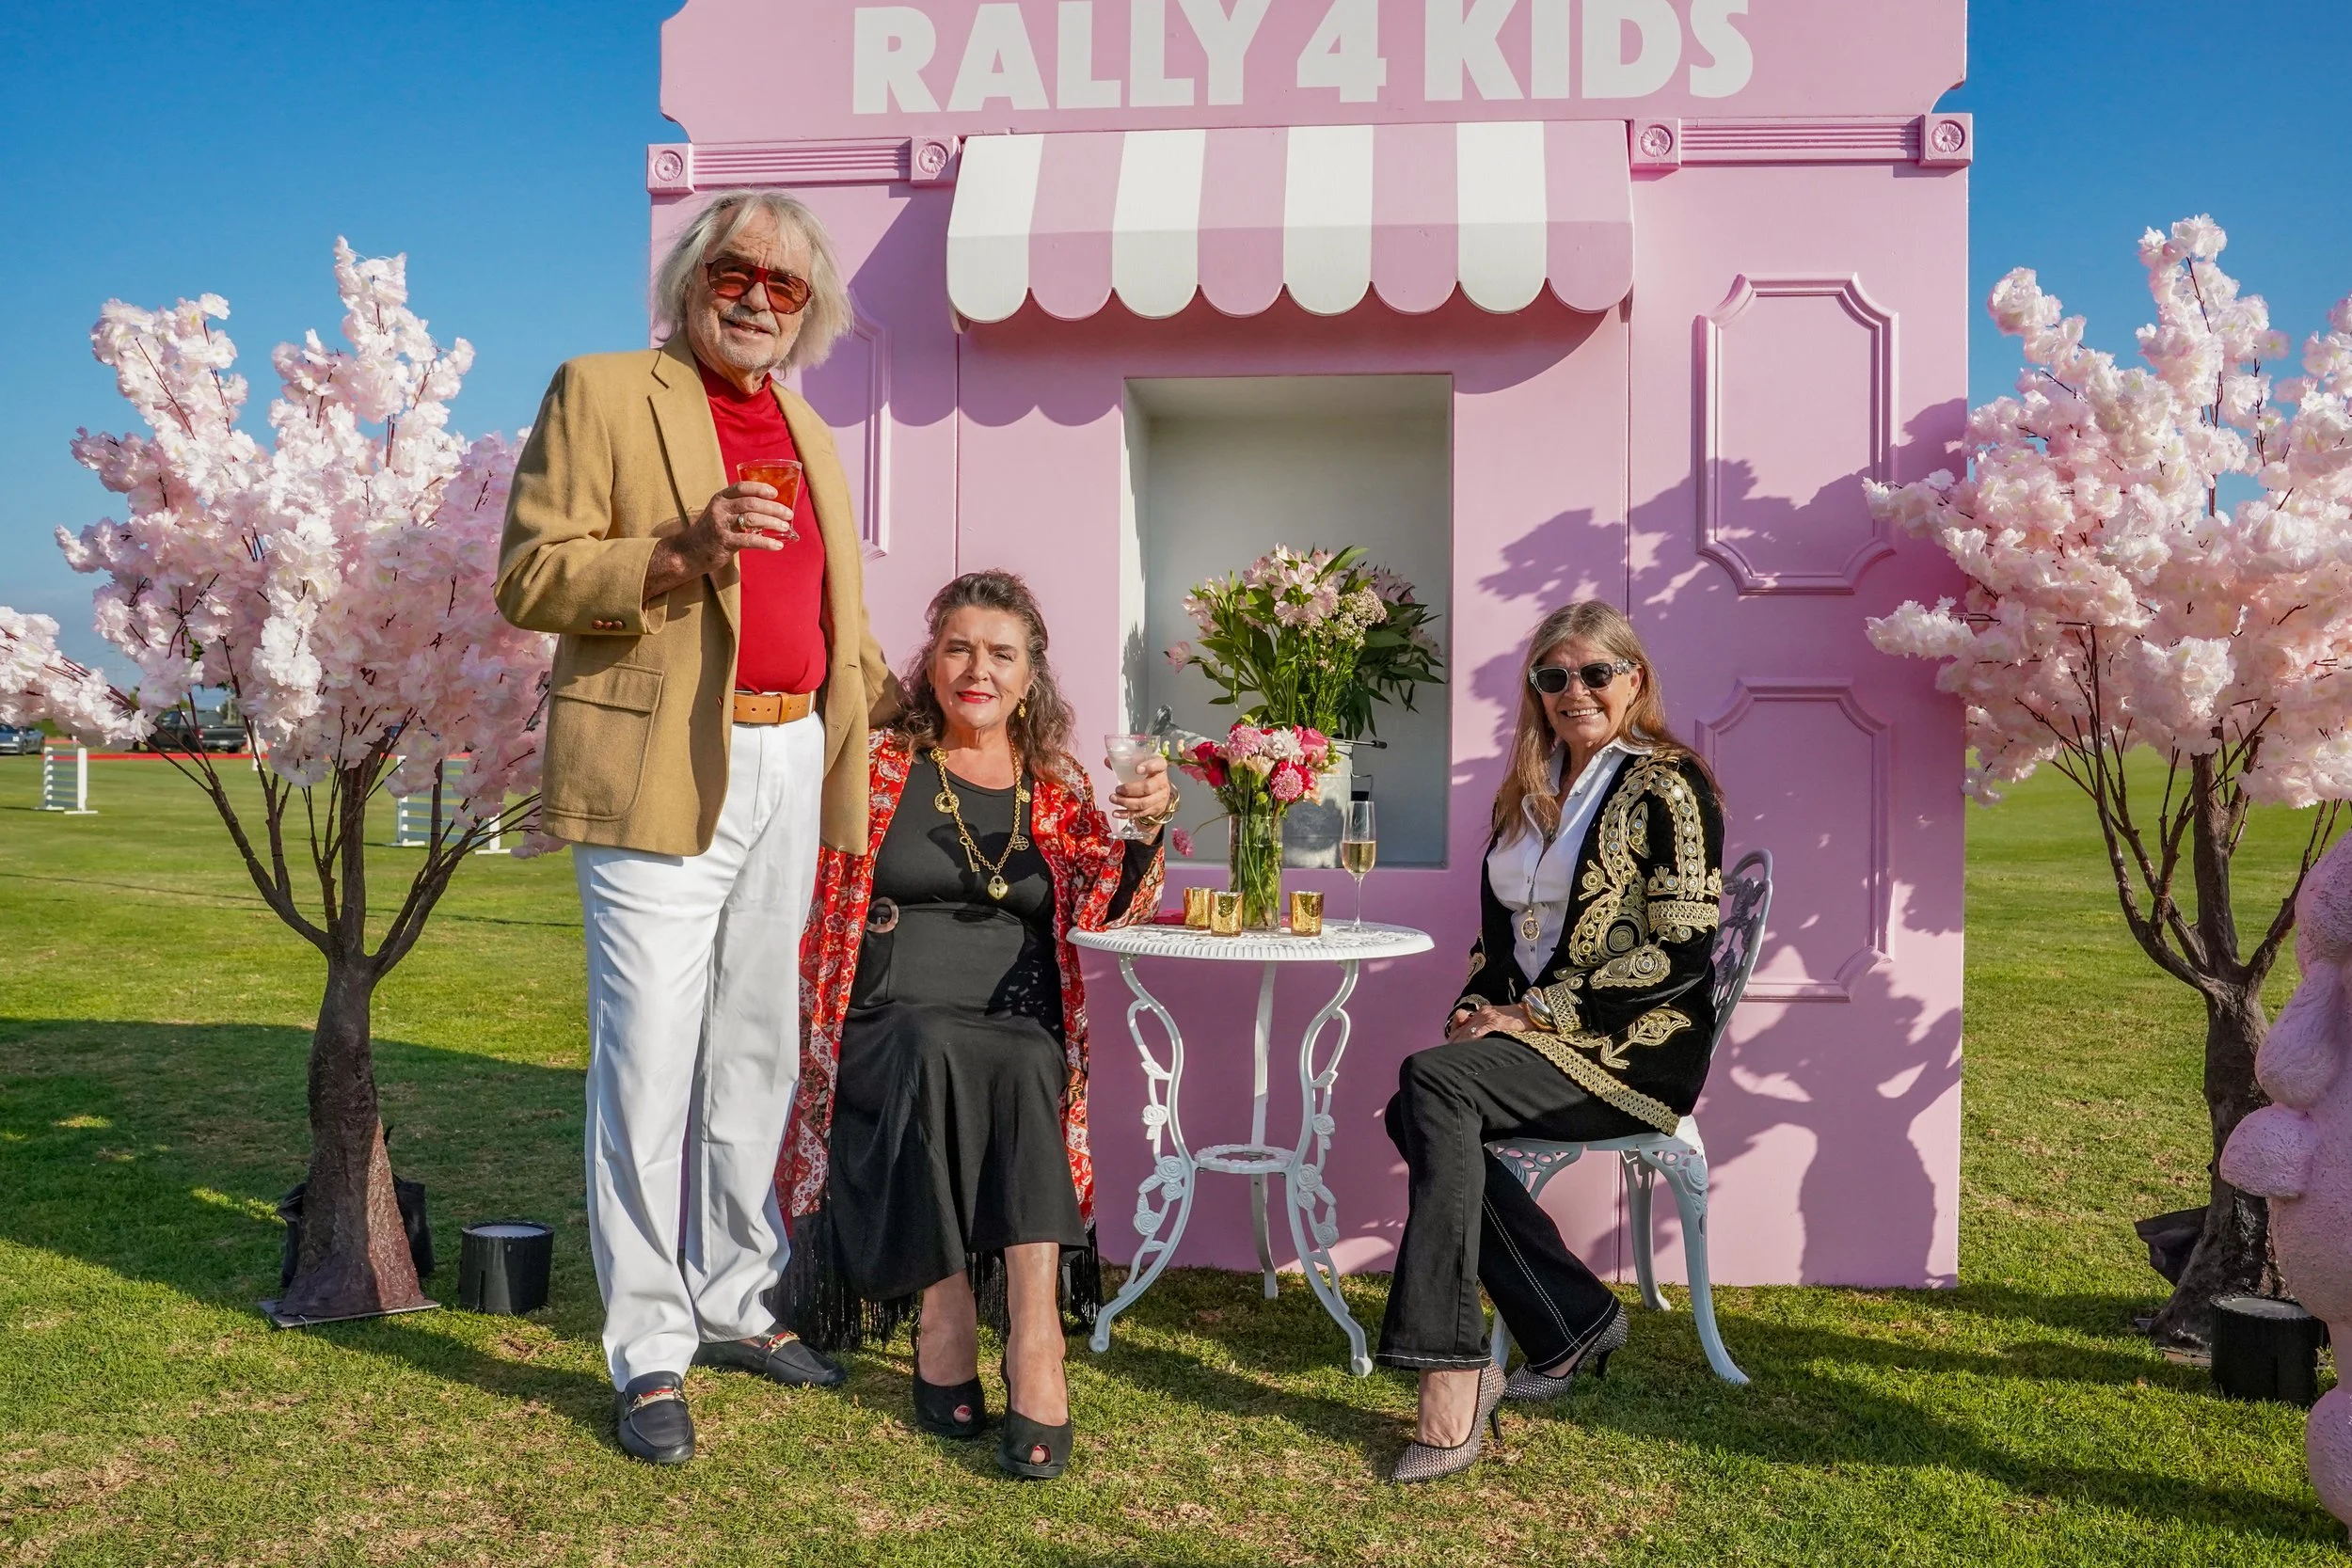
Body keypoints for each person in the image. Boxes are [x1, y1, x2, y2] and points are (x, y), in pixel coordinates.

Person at [495, 188, 900, 1466]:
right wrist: (676, 549)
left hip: (791, 753)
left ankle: (737, 1296)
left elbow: (832, 605)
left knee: (755, 1047)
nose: (759, 299)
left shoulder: (808, 426)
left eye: (787, 286)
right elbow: (530, 575)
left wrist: (889, 691)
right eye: (739, 271)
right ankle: (650, 1345)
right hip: (659, 759)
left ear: (810, 308)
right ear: (689, 276)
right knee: (650, 1058)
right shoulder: (604, 389)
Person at [775, 570, 1175, 1481]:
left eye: (1001, 653)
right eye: (958, 647)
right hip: (884, 1017)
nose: (977, 668)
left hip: (1013, 1016)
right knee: (934, 1044)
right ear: (930, 662)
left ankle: (1034, 1335)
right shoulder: (877, 765)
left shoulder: (1061, 783)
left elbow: (1105, 904)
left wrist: (1145, 831)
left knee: (1025, 1056)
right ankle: (946, 1306)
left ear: (1031, 675)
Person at [1375, 600, 1725, 1483]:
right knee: (1418, 1100)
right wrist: (1476, 1005)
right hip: (1538, 1037)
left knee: (1428, 1091)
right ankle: (1567, 1317)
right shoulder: (1526, 794)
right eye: (1553, 676)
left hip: (1637, 1045)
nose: (1574, 691)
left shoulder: (1667, 784)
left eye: (1594, 673)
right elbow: (1498, 947)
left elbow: (1681, 950)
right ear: (1535, 690)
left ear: (1633, 679)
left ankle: (1451, 1376)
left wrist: (1534, 1014)